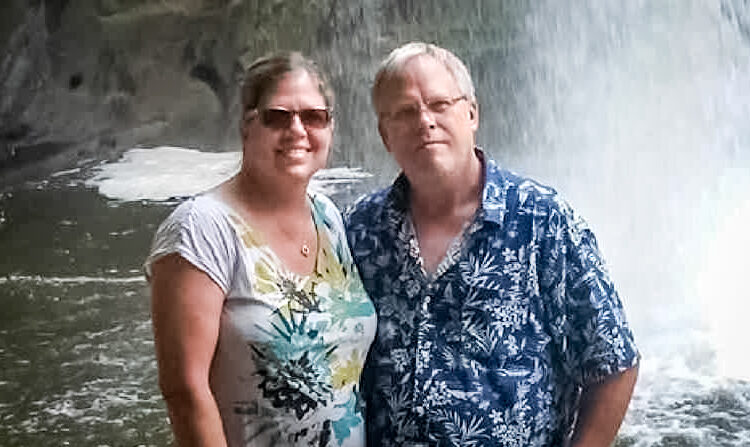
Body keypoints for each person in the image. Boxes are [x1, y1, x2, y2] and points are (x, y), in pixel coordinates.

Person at [346, 42, 639, 447]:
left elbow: (615, 362)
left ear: (471, 114)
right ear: (385, 134)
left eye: (439, 104)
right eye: (405, 112)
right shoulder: (361, 228)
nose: (425, 121)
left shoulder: (543, 219)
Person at [145, 52, 376, 447]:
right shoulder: (202, 228)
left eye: (313, 116)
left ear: (330, 128)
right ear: (246, 127)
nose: (297, 130)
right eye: (277, 116)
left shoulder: (328, 217)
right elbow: (184, 391)